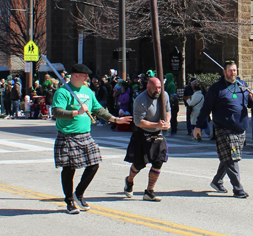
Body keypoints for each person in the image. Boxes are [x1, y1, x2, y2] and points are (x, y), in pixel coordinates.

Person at [53, 62, 131, 214]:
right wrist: (77, 112)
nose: (87, 78)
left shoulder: (87, 92)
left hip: (85, 134)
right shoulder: (62, 92)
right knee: (69, 169)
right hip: (68, 134)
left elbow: (98, 109)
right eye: (84, 75)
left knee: (94, 164)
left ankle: (79, 193)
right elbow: (56, 112)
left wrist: (115, 119)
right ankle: (69, 200)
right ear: (76, 75)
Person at [194, 60, 253, 199]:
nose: (232, 73)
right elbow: (206, 109)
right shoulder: (216, 89)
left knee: (228, 157)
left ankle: (217, 181)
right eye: (230, 70)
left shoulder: (242, 86)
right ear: (224, 72)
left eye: (234, 70)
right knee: (231, 158)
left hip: (240, 128)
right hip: (224, 129)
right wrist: (198, 126)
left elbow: (248, 104)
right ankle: (238, 189)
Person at [123, 76, 171, 202]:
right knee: (139, 164)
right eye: (155, 88)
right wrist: (157, 125)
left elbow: (168, 111)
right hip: (142, 133)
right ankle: (129, 180)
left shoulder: (164, 95)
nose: (158, 90)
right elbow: (138, 122)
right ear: (148, 87)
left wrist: (168, 122)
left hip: (157, 133)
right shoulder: (140, 99)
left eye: (159, 87)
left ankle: (149, 191)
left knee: (158, 161)